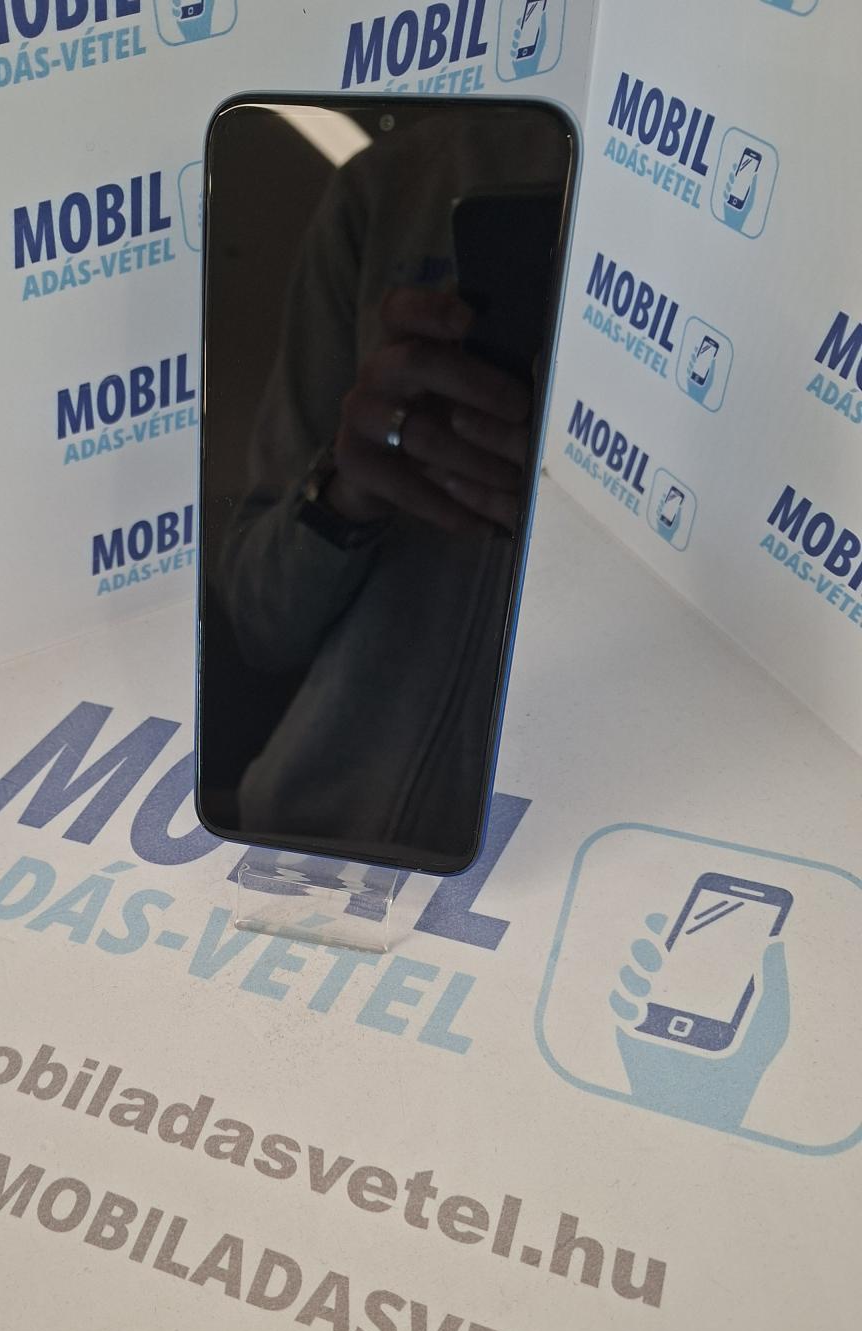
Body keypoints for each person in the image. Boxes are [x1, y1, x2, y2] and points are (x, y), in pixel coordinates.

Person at [213, 105, 569, 868]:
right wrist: (346, 489)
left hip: (572, 857)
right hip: (308, 826)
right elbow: (258, 619)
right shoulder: (390, 188)